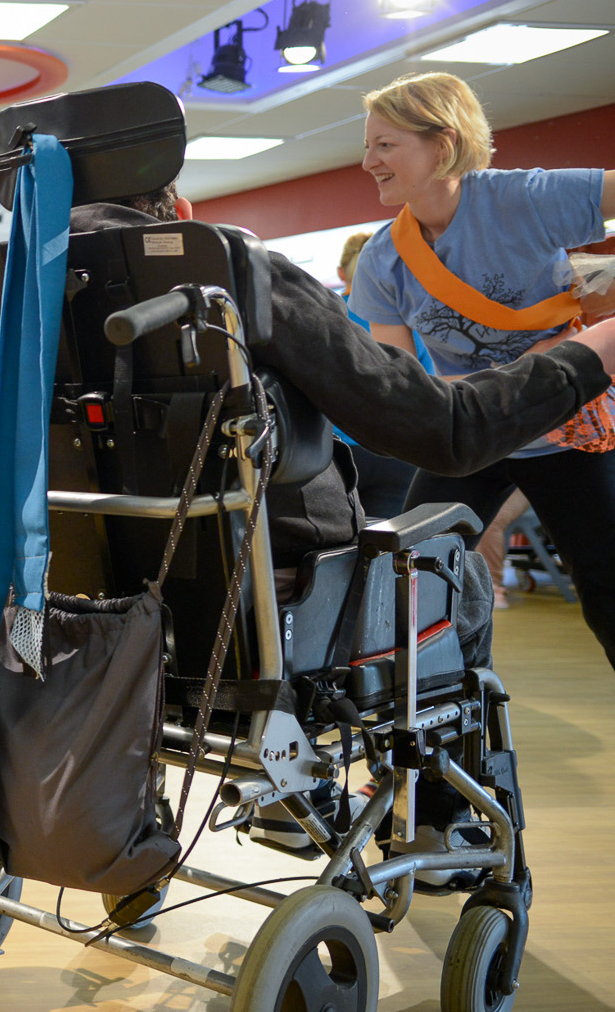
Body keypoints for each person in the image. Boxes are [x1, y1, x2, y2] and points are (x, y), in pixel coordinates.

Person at [72, 179, 615, 669]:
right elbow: (448, 433)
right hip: (285, 605)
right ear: (183, 213)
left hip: (85, 612)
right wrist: (591, 354)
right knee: (459, 578)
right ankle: (443, 781)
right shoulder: (240, 279)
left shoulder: (16, 306)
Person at [345, 71, 615, 668]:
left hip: (568, 432)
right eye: (368, 145)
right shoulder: (384, 260)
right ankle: (457, 721)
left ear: (440, 145)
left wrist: (608, 280)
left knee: (608, 591)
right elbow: (404, 384)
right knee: (406, 578)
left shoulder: (523, 198)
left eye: (384, 144)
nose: (367, 161)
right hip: (473, 439)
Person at [332, 228, 420, 518]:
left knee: (336, 553)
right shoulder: (408, 316)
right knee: (389, 553)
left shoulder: (326, 314)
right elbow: (424, 386)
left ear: (341, 273)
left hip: (338, 453)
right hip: (398, 450)